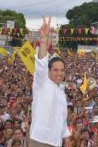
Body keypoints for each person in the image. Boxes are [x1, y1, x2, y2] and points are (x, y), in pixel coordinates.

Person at [29, 17, 70, 147]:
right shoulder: (42, 83)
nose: (59, 73)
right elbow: (41, 62)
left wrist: (67, 138)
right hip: (39, 140)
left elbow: (61, 119)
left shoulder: (62, 93)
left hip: (56, 142)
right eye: (55, 70)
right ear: (48, 71)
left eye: (62, 70)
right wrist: (44, 40)